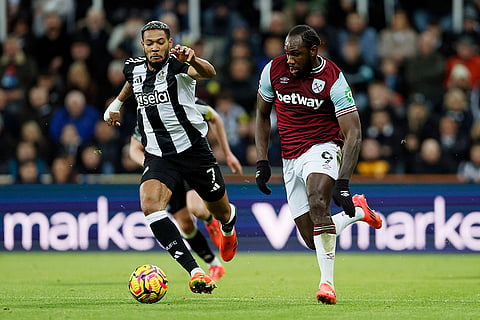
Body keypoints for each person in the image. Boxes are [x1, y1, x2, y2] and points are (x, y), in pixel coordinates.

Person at [103, 20, 239, 294]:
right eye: (149, 43)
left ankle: (227, 227)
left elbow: (209, 73)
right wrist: (117, 103)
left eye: (160, 42)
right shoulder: (133, 67)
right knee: (150, 205)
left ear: (169, 42)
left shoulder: (179, 65)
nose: (155, 47)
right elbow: (132, 83)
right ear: (143, 45)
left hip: (194, 152)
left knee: (219, 211)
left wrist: (195, 58)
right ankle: (196, 271)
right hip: (159, 155)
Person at [254, 25, 383, 305]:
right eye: (287, 53)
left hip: (323, 147)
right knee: (312, 239)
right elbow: (262, 115)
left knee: (318, 202)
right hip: (289, 157)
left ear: (314, 51)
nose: (289, 60)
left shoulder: (333, 78)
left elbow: (354, 134)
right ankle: (358, 213)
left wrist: (344, 182)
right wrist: (262, 159)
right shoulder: (272, 71)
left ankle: (327, 285)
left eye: (296, 54)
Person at [128, 97, 243, 282]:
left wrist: (228, 153)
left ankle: (212, 220)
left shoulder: (187, 102)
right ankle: (214, 264)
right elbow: (133, 149)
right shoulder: (148, 112)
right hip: (166, 171)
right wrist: (155, 169)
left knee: (196, 208)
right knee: (185, 224)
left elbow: (215, 117)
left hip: (190, 161)